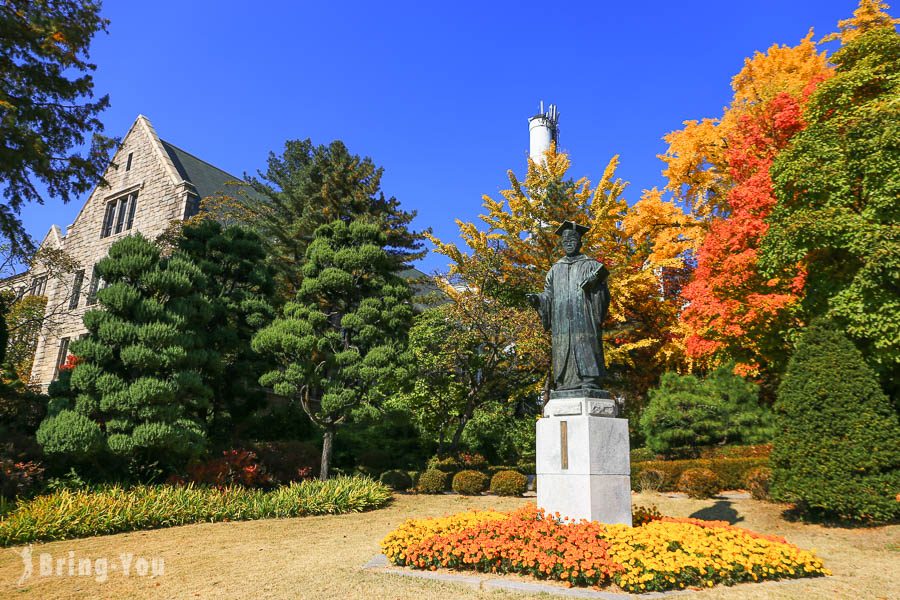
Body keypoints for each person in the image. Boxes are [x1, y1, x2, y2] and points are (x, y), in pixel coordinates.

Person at [526, 220, 610, 396]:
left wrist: (596, 284)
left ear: (580, 242)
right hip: (562, 319)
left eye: (572, 240)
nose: (569, 244)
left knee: (585, 344)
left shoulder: (591, 265)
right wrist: (538, 300)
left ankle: (589, 380)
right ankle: (564, 382)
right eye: (565, 241)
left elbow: (603, 295)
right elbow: (548, 294)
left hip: (585, 318)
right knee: (563, 348)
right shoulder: (555, 269)